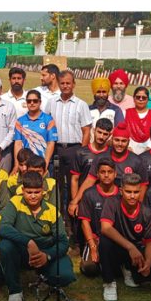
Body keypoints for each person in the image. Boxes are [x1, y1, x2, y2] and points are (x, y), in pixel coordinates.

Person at [0, 171, 75, 301]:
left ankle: (45, 276)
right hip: (23, 251)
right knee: (5, 246)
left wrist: (48, 255)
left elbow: (63, 242)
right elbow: (3, 228)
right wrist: (28, 241)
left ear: (43, 191)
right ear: (22, 190)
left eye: (37, 192)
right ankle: (15, 291)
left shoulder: (52, 210)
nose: (33, 196)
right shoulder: (15, 202)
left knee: (65, 276)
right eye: (29, 192)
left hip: (45, 252)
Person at [98, 173, 151, 301]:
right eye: (128, 191)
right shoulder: (111, 202)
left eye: (136, 192)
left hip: (136, 251)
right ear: (121, 191)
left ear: (140, 191)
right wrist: (130, 247)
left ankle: (128, 269)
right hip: (118, 247)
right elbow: (105, 228)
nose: (132, 196)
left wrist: (148, 262)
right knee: (105, 240)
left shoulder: (147, 213)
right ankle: (109, 282)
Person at [69, 122, 148, 215]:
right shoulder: (100, 157)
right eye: (117, 140)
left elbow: (143, 185)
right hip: (103, 203)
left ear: (128, 141)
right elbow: (89, 180)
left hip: (127, 205)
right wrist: (75, 201)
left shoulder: (137, 160)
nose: (120, 144)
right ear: (112, 140)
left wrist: (138, 205)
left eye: (123, 141)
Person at [45, 70, 93, 212]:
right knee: (57, 184)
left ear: (73, 85)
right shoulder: (51, 103)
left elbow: (86, 131)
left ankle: (73, 216)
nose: (65, 86)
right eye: (62, 83)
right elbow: (47, 126)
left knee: (74, 184)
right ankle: (58, 217)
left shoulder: (81, 104)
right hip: (57, 149)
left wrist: (82, 153)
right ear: (58, 84)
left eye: (68, 83)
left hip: (75, 149)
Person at [77, 158, 119, 278]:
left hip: (116, 239)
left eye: (110, 172)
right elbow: (84, 222)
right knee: (89, 269)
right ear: (97, 174)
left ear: (115, 174)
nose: (106, 175)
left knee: (117, 270)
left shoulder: (121, 194)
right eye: (103, 172)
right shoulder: (89, 193)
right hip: (95, 238)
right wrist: (92, 246)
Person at [70, 117, 113, 209]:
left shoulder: (111, 154)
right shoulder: (81, 152)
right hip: (83, 198)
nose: (101, 136)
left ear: (110, 135)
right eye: (99, 132)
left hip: (105, 200)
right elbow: (75, 179)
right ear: (94, 130)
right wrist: (75, 202)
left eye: (105, 134)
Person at [12, 89, 57, 171]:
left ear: (40, 102)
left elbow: (51, 143)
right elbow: (18, 144)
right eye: (29, 101)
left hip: (42, 163)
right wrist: (16, 165)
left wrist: (45, 165)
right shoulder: (20, 121)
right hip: (25, 166)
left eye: (35, 101)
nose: (32, 103)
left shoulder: (49, 120)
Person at [125, 86, 151, 154]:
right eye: (138, 97)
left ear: (148, 99)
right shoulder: (126, 113)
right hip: (128, 150)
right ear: (134, 98)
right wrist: (127, 146)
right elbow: (123, 131)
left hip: (149, 151)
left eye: (144, 98)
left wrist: (150, 147)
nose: (141, 99)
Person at [88, 77, 124, 141]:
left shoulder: (116, 110)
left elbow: (120, 131)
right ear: (94, 93)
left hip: (109, 147)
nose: (101, 95)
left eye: (104, 92)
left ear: (108, 93)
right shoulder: (88, 110)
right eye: (98, 92)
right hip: (90, 146)